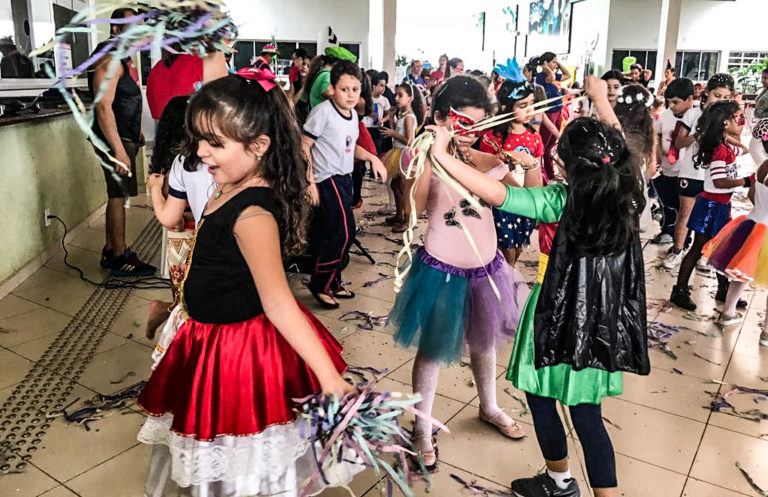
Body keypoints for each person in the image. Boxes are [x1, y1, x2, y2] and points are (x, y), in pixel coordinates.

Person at [136, 70, 360, 496]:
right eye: (199, 139)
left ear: (259, 146)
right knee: (216, 454)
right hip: (206, 338)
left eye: (214, 144)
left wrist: (329, 380)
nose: (200, 152)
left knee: (243, 450)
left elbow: (279, 304)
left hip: (237, 352)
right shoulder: (228, 185)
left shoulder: (253, 215)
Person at [434, 76, 648, 497]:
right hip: (601, 322)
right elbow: (620, 148)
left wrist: (442, 154)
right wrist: (601, 100)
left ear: (567, 166)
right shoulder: (627, 190)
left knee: (540, 397)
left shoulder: (559, 199)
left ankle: (558, 482)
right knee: (588, 417)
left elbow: (497, 194)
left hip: (556, 316)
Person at [388, 75, 529, 473]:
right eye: (461, 124)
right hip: (440, 272)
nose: (469, 135)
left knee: (485, 343)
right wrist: (434, 154)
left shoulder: (487, 161)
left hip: (486, 269)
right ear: (438, 118)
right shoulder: (422, 161)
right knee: (432, 350)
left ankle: (489, 406)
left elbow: (524, 195)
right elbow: (413, 207)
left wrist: (521, 164)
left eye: (478, 126)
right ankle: (421, 425)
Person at [302, 60, 387, 309]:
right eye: (344, 89)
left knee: (336, 232)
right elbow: (303, 145)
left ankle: (332, 280)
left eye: (355, 89)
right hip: (326, 178)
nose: (350, 95)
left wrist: (372, 157)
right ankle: (320, 284)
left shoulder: (351, 116)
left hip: (344, 178)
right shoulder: (323, 113)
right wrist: (309, 182)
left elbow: (350, 148)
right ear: (332, 89)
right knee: (344, 231)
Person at [88, 8, 155, 277]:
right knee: (118, 197)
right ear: (116, 29)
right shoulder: (111, 58)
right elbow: (103, 107)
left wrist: (136, 129)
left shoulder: (123, 59)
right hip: (113, 141)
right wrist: (118, 149)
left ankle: (109, 247)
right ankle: (120, 255)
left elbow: (124, 99)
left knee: (118, 195)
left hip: (124, 136)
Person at [144, 96, 215, 339]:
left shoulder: (181, 159)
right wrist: (155, 190)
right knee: (189, 306)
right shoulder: (181, 162)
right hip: (191, 240)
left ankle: (162, 311)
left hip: (197, 240)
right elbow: (172, 219)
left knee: (189, 303)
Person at [670, 100, 752, 311]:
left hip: (720, 205)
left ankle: (723, 289)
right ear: (726, 122)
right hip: (710, 207)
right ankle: (680, 289)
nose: (742, 122)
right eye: (739, 118)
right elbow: (719, 182)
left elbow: (743, 149)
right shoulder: (720, 150)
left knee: (721, 248)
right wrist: (745, 181)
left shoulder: (725, 146)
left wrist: (729, 136)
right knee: (699, 248)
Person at [664, 74, 735, 268]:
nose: (720, 101)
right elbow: (679, 142)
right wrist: (698, 134)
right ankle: (677, 251)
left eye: (725, 97)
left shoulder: (728, 119)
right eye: (716, 95)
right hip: (691, 172)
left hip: (714, 176)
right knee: (685, 213)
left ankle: (705, 255)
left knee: (711, 216)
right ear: (706, 93)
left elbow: (734, 139)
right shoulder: (693, 114)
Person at [479, 70, 545, 266]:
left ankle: (508, 275)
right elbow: (483, 169)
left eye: (532, 104)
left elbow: (538, 171)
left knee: (518, 248)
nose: (529, 110)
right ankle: (504, 281)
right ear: (507, 107)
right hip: (503, 201)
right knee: (505, 249)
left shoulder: (534, 137)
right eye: (522, 106)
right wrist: (497, 161)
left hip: (524, 201)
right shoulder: (492, 136)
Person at [702, 158, 768, 332]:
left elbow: (751, 195)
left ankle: (728, 312)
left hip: (752, 224)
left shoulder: (763, 166)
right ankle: (767, 331)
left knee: (740, 272)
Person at [651, 78, 692, 246]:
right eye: (669, 102)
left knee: (683, 207)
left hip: (685, 171)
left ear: (690, 99)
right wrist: (657, 151)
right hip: (666, 167)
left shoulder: (696, 117)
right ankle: (667, 230)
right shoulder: (665, 116)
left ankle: (683, 239)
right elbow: (657, 135)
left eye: (676, 102)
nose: (672, 106)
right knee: (666, 202)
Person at [613, 84, 657, 236]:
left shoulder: (613, 128)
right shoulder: (648, 132)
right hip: (636, 188)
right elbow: (652, 168)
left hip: (612, 186)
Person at [381, 82, 424, 233]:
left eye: (400, 95)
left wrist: (393, 134)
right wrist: (392, 119)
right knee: (395, 185)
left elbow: (410, 140)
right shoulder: (403, 115)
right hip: (398, 152)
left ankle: (407, 220)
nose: (396, 98)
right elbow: (396, 134)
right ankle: (399, 214)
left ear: (410, 98)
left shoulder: (409, 117)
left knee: (405, 189)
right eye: (396, 95)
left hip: (406, 155)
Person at [146, 46, 228, 120]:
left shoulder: (155, 71)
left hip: (166, 134)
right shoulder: (208, 61)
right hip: (199, 133)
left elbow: (158, 118)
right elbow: (222, 111)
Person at [536, 52, 572, 182]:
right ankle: (542, 174)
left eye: (556, 62)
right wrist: (546, 68)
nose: (555, 65)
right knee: (544, 146)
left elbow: (568, 75)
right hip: (549, 113)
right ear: (545, 63)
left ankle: (550, 174)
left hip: (557, 112)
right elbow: (550, 78)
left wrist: (558, 63)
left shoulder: (552, 74)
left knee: (551, 146)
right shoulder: (541, 76)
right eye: (553, 62)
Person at [364, 71, 392, 154]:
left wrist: (382, 120)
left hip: (378, 128)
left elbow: (388, 114)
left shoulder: (384, 100)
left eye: (384, 86)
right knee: (366, 149)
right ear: (374, 86)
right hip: (367, 126)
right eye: (381, 86)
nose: (383, 88)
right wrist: (368, 113)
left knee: (377, 150)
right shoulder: (367, 98)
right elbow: (361, 111)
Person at [749, 67, 768, 166]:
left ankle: (764, 170)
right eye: (762, 77)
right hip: (760, 122)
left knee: (754, 149)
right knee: (760, 150)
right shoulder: (764, 90)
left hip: (765, 125)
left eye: (766, 78)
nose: (763, 80)